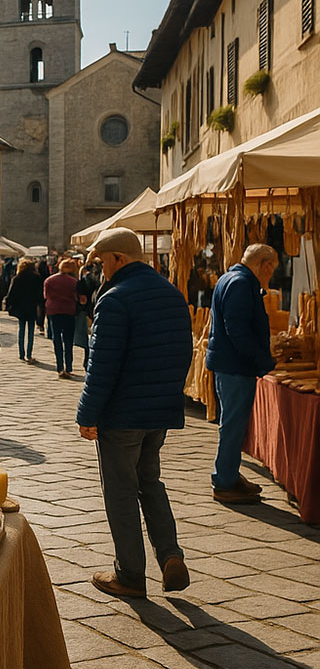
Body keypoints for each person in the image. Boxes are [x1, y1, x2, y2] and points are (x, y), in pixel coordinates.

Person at [76, 227, 193, 598]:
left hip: (122, 413)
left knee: (121, 492)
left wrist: (87, 414)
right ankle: (170, 555)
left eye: (102, 262)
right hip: (159, 411)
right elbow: (184, 353)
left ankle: (129, 574)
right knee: (150, 482)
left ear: (119, 258)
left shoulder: (114, 299)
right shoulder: (172, 294)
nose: (101, 270)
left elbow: (102, 366)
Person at [206, 243, 278, 503]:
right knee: (233, 426)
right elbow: (237, 331)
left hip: (230, 364)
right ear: (265, 265)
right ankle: (225, 481)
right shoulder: (240, 283)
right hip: (234, 367)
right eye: (272, 268)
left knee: (232, 425)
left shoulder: (231, 278)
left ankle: (228, 474)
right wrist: (263, 360)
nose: (271, 274)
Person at [44, 258, 80, 378]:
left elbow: (46, 295)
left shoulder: (49, 280)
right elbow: (77, 296)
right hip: (69, 311)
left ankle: (60, 366)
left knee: (57, 338)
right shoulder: (74, 282)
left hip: (53, 310)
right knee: (68, 340)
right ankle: (68, 366)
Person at [5, 258, 43, 362]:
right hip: (32, 306)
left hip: (20, 308)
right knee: (31, 332)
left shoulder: (17, 278)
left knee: (21, 330)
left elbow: (11, 294)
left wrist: (9, 305)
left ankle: (21, 354)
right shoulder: (37, 278)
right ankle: (29, 354)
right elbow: (40, 294)